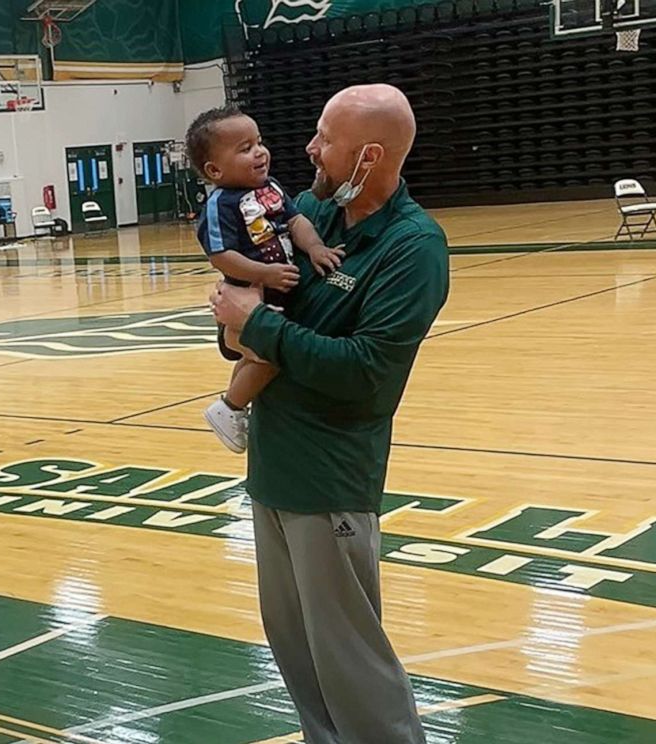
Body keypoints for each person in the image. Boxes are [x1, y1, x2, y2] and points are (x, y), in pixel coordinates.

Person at [210, 84, 450, 744]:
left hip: (332, 479)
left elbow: (365, 374)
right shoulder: (310, 210)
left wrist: (258, 327)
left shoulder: (412, 247)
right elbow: (244, 311)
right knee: (298, 655)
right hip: (273, 470)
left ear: (369, 157)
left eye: (325, 140)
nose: (309, 149)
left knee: (351, 662)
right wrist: (235, 327)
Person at [186, 105, 343, 453]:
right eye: (245, 149)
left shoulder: (271, 187)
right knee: (270, 355)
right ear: (215, 169)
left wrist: (316, 248)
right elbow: (220, 255)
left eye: (259, 142)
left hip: (276, 295)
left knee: (256, 357)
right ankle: (229, 408)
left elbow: (296, 220)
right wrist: (264, 273)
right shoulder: (219, 205)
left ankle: (235, 408)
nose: (260, 152)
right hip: (248, 297)